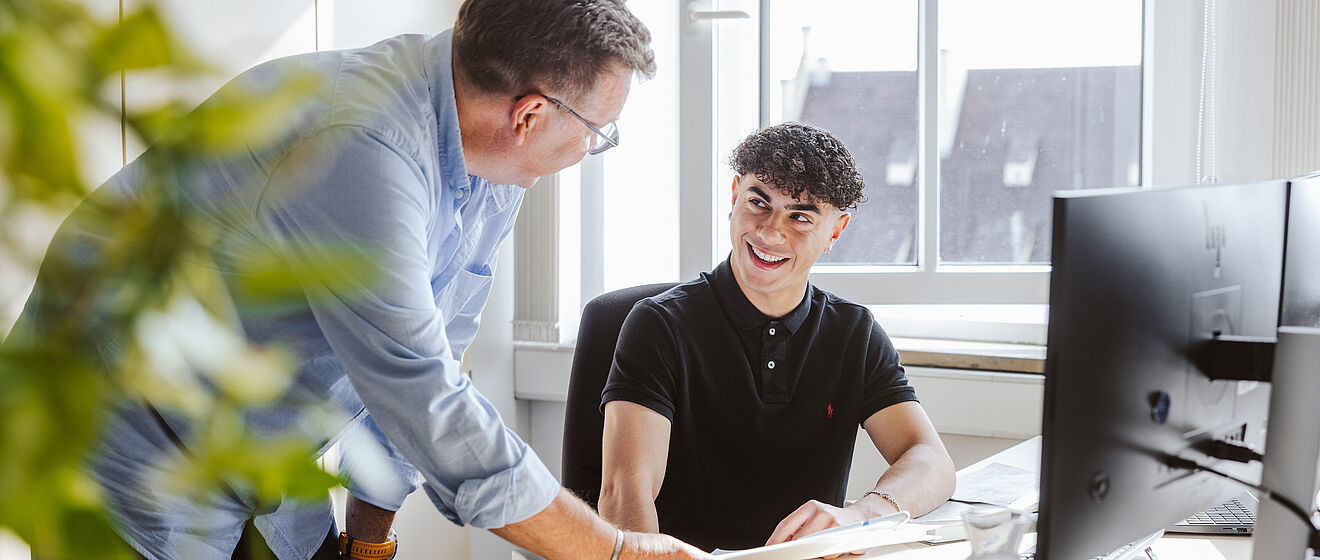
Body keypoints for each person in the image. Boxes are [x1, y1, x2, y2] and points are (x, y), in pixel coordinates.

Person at [9, 1, 712, 559]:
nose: (593, 148)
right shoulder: (367, 145)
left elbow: (434, 348)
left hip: (261, 436)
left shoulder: (494, 158)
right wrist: (610, 551)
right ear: (528, 114)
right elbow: (424, 393)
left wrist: (370, 539)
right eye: (600, 130)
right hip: (123, 438)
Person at [596, 123, 957, 552]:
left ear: (834, 233)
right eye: (758, 202)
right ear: (734, 197)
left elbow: (930, 459)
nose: (770, 232)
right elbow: (625, 495)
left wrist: (861, 515)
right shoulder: (658, 325)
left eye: (800, 216)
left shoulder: (853, 332)